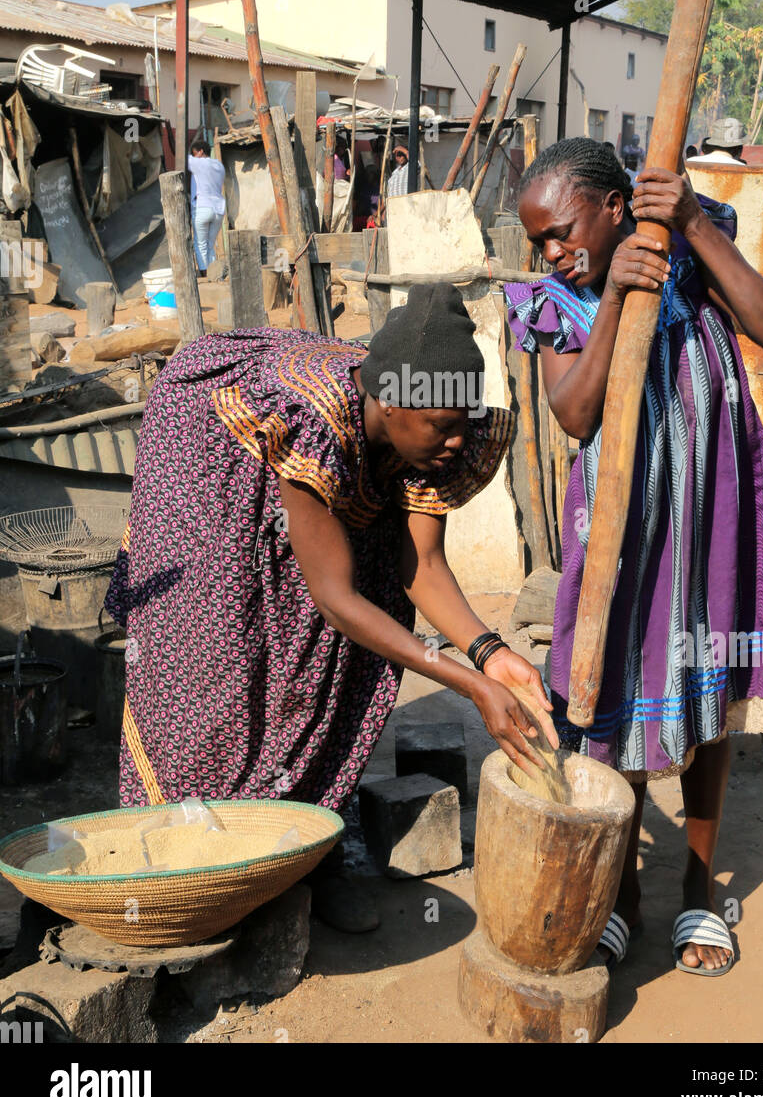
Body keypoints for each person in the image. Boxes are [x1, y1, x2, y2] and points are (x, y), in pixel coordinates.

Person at [104, 284, 556, 931]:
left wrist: (493, 656)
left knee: (369, 631)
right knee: (218, 648)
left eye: (463, 426)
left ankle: (311, 848)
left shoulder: (424, 434)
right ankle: (183, 863)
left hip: (335, 464)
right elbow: (334, 600)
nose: (458, 443)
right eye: (443, 428)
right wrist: (466, 683)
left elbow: (421, 568)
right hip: (214, 444)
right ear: (393, 402)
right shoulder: (314, 415)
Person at [504, 138, 763, 976]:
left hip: (710, 517)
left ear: (614, 205)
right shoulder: (549, 302)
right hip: (623, 532)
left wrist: (693, 227)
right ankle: (626, 900)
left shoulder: (689, 254)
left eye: (562, 230)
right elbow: (574, 412)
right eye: (538, 242)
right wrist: (616, 296)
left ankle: (701, 895)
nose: (553, 252)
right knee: (616, 702)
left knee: (709, 699)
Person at [188, 140, 226, 273]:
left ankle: (204, 274)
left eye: (194, 153)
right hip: (218, 209)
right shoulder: (219, 166)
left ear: (201, 152)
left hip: (202, 207)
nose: (193, 156)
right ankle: (213, 274)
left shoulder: (199, 163)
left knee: (200, 245)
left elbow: (182, 158)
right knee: (210, 245)